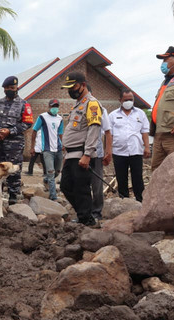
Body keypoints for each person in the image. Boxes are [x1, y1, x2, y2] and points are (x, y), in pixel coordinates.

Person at [60, 72, 102, 226]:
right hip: (71, 154)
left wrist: (88, 154)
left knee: (81, 188)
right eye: (68, 88)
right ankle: (84, 215)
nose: (70, 90)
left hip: (82, 153)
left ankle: (86, 220)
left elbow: (94, 129)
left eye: (73, 87)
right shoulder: (78, 104)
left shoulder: (92, 103)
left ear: (83, 84)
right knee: (66, 186)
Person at [0, 76, 33, 204]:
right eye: (7, 88)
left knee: (13, 169)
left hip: (15, 144)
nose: (10, 90)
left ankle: (13, 195)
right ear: (4, 89)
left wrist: (10, 131)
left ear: (17, 88)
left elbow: (27, 123)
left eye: (12, 88)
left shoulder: (24, 104)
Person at [108, 89, 150, 202]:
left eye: (131, 100)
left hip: (136, 150)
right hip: (119, 152)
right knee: (122, 179)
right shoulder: (112, 115)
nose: (128, 102)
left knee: (138, 178)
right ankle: (124, 202)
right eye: (126, 100)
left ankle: (140, 202)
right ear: (120, 100)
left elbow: (145, 131)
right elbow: (108, 135)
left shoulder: (140, 114)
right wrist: (108, 151)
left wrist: (146, 147)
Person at [31, 99, 62, 201]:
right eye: (53, 106)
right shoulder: (42, 117)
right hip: (47, 150)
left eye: (56, 106)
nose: (55, 108)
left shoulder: (60, 119)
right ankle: (53, 196)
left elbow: (60, 133)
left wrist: (63, 145)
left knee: (57, 172)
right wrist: (32, 147)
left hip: (58, 149)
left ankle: (46, 179)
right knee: (51, 172)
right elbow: (34, 131)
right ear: (49, 106)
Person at [91, 104, 112, 219]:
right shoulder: (76, 109)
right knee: (81, 184)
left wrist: (108, 151)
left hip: (96, 153)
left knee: (97, 184)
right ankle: (84, 212)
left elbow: (107, 131)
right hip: (79, 153)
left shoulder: (100, 109)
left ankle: (96, 212)